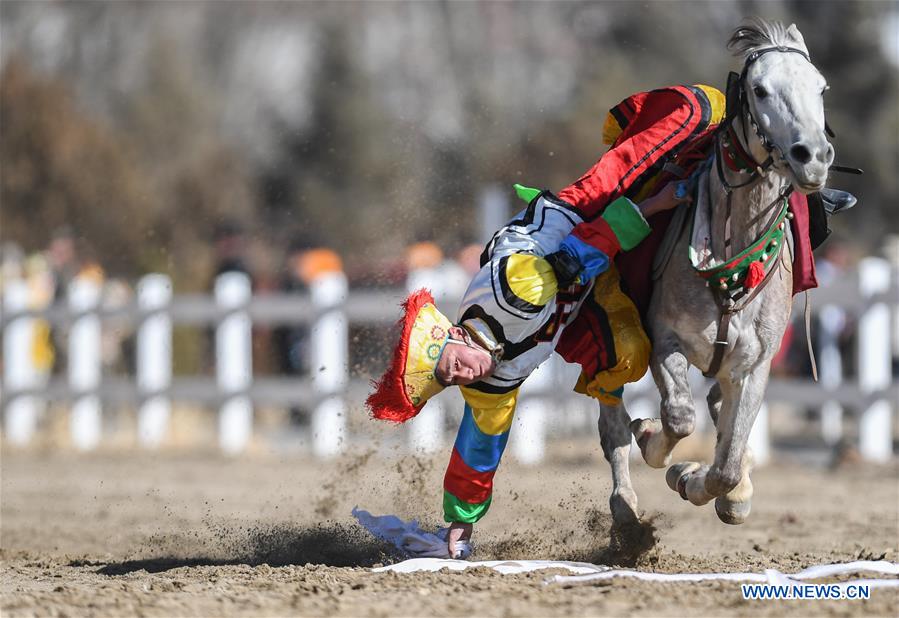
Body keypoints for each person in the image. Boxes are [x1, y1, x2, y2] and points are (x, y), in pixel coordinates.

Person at [367, 178, 690, 558]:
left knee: (644, 154)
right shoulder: (488, 385)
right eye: (451, 381)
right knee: (629, 353)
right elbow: (478, 447)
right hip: (569, 300)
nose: (465, 376)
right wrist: (460, 527)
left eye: (454, 365)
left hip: (572, 224)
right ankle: (622, 424)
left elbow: (586, 246)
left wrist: (655, 203)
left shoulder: (516, 293)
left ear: (457, 335)